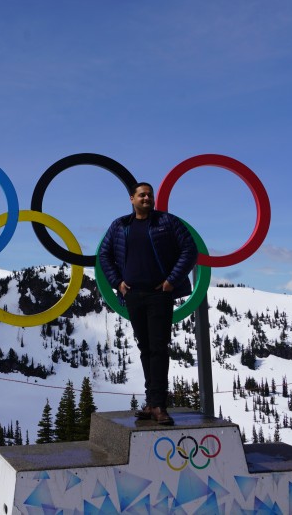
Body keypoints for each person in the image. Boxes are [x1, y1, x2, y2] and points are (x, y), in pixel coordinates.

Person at [97, 182, 197, 425]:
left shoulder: (167, 222)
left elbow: (189, 249)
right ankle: (151, 403)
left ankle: (159, 405)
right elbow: (104, 255)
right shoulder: (120, 225)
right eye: (142, 195)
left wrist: (171, 281)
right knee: (145, 348)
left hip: (159, 295)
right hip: (133, 295)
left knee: (158, 348)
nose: (146, 198)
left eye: (149, 195)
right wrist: (117, 282)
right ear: (132, 198)